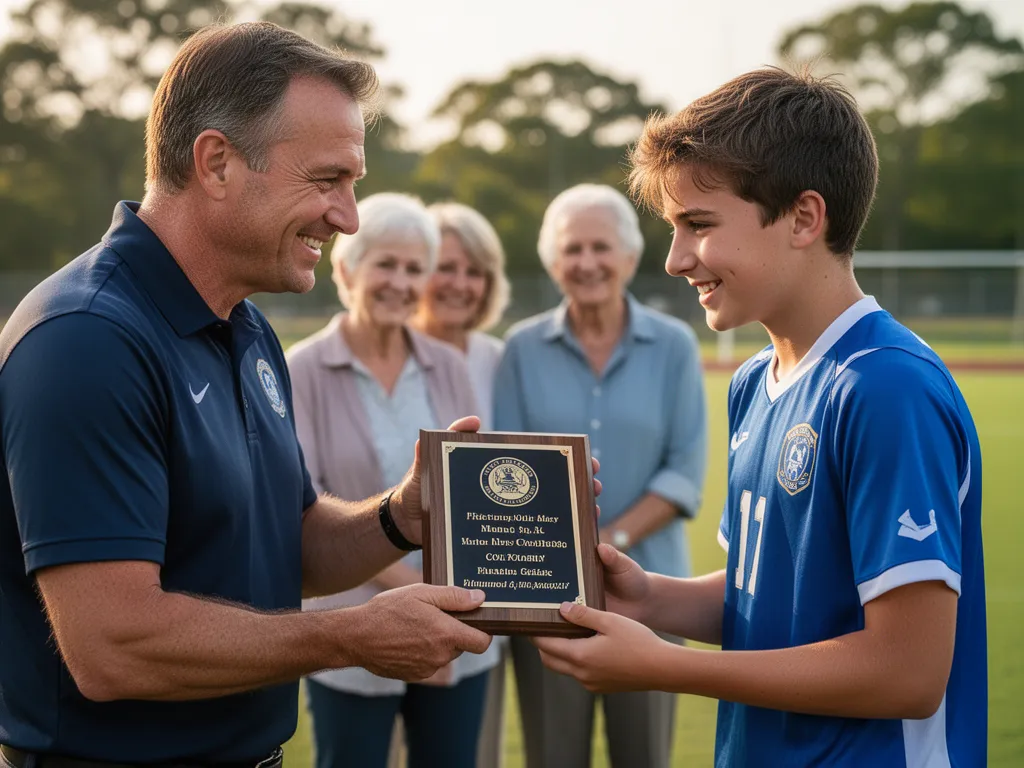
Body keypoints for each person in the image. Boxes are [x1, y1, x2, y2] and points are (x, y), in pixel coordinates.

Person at [0, 23, 500, 766]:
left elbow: (289, 542)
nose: (348, 216)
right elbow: (112, 647)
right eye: (327, 180)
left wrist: (400, 515)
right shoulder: (86, 340)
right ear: (217, 162)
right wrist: (345, 636)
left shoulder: (247, 326)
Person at [533, 67, 986, 768]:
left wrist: (665, 667)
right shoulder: (754, 381)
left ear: (805, 218)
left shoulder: (886, 387)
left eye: (699, 225)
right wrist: (650, 599)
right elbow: (768, 596)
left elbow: (908, 673)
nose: (678, 258)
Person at [494, 183, 708, 768]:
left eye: (600, 247)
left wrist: (607, 546)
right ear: (552, 262)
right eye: (571, 250)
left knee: (643, 755)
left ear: (630, 258)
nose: (586, 263)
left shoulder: (674, 346)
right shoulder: (519, 349)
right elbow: (506, 471)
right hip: (545, 597)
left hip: (654, 595)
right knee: (552, 755)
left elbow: (684, 470)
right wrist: (569, 556)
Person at [287, 192, 501, 768]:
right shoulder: (300, 369)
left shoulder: (448, 364)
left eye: (414, 269)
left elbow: (470, 494)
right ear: (346, 269)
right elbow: (306, 511)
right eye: (385, 263)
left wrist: (454, 600)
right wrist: (413, 584)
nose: (400, 282)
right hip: (351, 630)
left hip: (455, 625)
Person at [408, 201, 512, 767]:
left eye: (475, 272)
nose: (460, 284)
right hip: (388, 592)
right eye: (446, 267)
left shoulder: (502, 360)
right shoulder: (389, 357)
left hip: (483, 605)